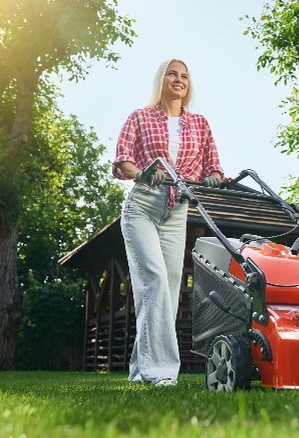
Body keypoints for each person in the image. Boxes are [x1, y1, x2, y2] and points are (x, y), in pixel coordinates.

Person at [112, 59, 224, 386]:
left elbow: (213, 165)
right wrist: (144, 173)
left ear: (189, 84)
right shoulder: (140, 117)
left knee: (167, 291)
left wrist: (215, 178)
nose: (179, 79)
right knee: (156, 281)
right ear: (161, 80)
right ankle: (161, 372)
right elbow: (122, 160)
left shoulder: (200, 123)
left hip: (177, 213)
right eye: (172, 74)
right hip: (143, 207)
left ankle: (138, 370)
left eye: (184, 75)